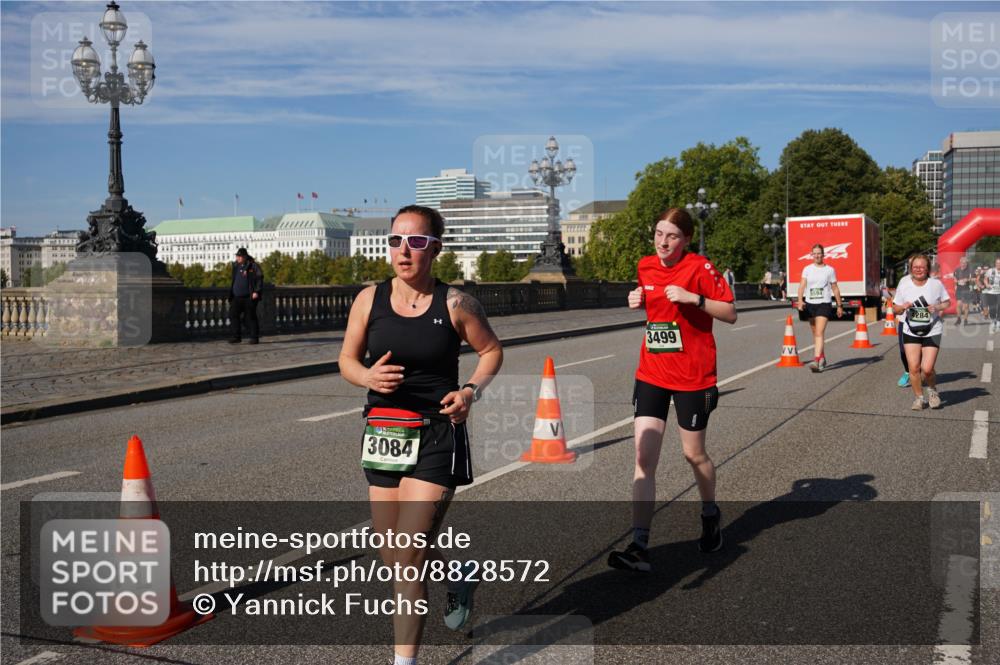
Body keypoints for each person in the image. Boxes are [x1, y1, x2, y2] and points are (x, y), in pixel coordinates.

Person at [339, 204, 503, 665]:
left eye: (415, 241)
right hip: (385, 435)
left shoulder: (456, 304)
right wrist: (366, 378)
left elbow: (491, 350)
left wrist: (470, 390)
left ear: (435, 249)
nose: (403, 250)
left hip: (436, 435)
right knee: (392, 554)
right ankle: (457, 573)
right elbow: (346, 360)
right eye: (395, 240)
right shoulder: (367, 300)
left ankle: (403, 662)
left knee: (408, 554)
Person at [607, 207, 737, 573]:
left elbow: (729, 313)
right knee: (644, 459)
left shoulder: (700, 267)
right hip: (652, 372)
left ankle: (710, 513)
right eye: (659, 233)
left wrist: (693, 298)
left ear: (686, 240)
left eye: (672, 236)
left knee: (693, 455)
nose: (663, 242)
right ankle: (639, 545)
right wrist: (640, 301)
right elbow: (657, 312)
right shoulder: (645, 265)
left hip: (694, 377)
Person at [893, 254, 950, 410]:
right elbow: (895, 309)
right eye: (915, 267)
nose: (918, 270)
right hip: (910, 330)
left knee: (927, 368)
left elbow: (947, 302)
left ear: (927, 268)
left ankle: (932, 390)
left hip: (932, 329)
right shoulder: (904, 284)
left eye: (922, 267)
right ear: (911, 269)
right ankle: (919, 398)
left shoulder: (936, 284)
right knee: (913, 367)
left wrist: (937, 307)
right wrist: (902, 307)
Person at [796, 244, 844, 372]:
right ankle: (822, 357)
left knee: (819, 333)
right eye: (814, 253)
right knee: (815, 333)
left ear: (823, 255)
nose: (817, 255)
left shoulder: (829, 270)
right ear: (812, 255)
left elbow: (835, 288)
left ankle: (816, 360)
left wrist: (839, 305)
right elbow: (801, 286)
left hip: (824, 303)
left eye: (819, 253)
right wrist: (800, 301)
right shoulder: (807, 269)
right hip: (810, 304)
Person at [229, 247, 263, 344]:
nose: (237, 258)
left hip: (249, 296)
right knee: (233, 315)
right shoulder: (235, 266)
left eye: (239, 256)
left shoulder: (253, 266)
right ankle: (236, 336)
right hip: (237, 296)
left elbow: (259, 278)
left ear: (244, 257)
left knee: (250, 317)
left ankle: (254, 338)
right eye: (237, 256)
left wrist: (256, 291)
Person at [952, 256, 974, 326]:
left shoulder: (970, 270)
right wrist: (955, 281)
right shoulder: (957, 270)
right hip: (959, 289)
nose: (963, 264)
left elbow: (974, 279)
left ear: (967, 263)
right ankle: (958, 318)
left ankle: (965, 320)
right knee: (958, 305)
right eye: (962, 262)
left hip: (967, 289)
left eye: (965, 263)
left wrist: (967, 280)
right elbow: (954, 278)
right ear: (960, 263)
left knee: (966, 306)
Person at [983, 257, 1000, 333]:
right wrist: (987, 284)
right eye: (997, 263)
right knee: (992, 308)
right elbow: (985, 279)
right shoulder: (991, 271)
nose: (998, 264)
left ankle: (999, 322)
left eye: (999, 263)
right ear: (995, 264)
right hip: (991, 292)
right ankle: (993, 321)